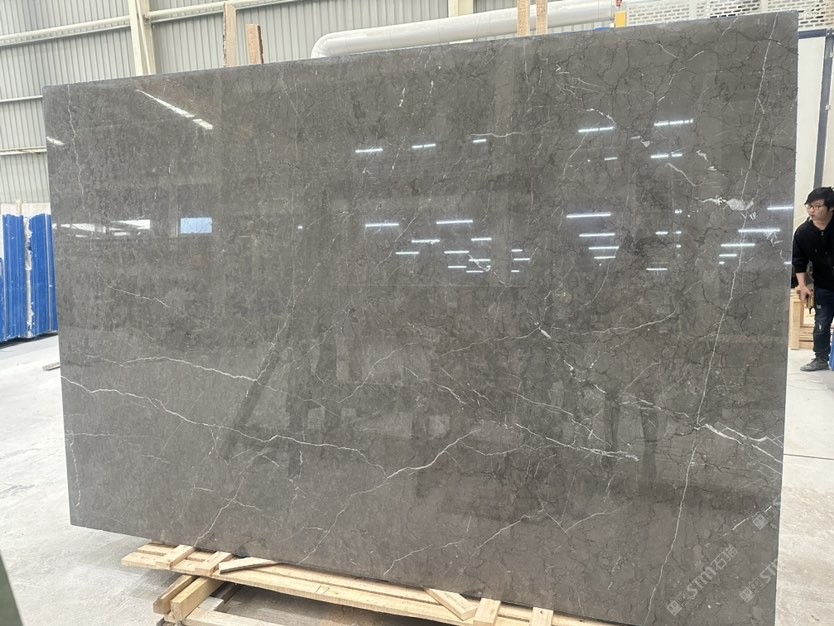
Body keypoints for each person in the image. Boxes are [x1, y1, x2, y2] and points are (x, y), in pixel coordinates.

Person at [793, 187, 834, 371]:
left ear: (830, 207)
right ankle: (821, 359)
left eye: (817, 206)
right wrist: (803, 286)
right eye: (809, 206)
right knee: (821, 324)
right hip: (824, 286)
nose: (811, 210)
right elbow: (799, 262)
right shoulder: (803, 233)